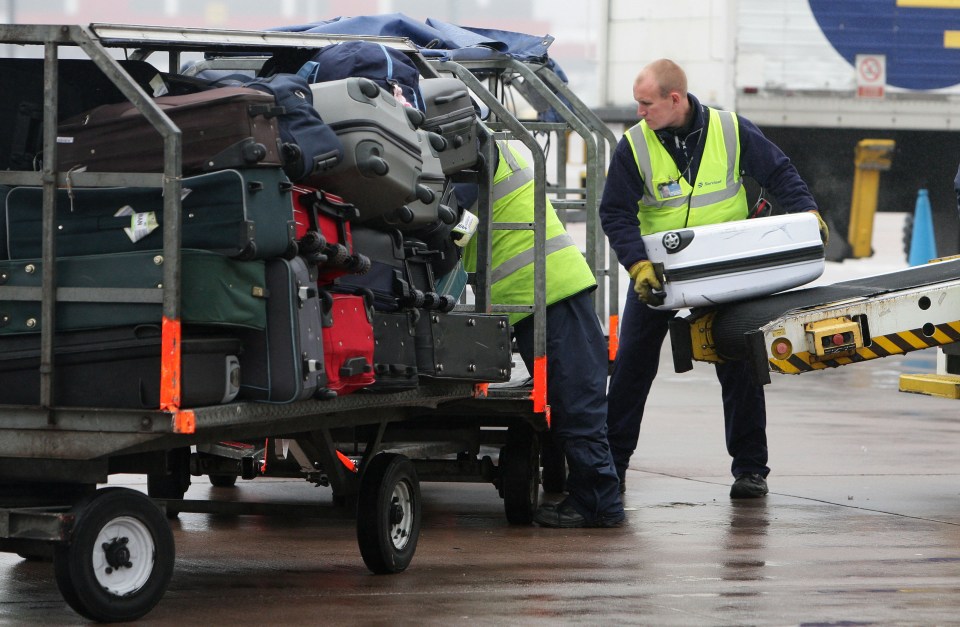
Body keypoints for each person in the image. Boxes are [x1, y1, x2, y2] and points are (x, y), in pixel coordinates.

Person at [599, 59, 828, 499]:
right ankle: (613, 468)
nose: (640, 112)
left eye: (647, 103)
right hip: (658, 275)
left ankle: (750, 470)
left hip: (725, 270)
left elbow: (780, 172)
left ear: (675, 99)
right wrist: (636, 265)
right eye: (637, 104)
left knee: (739, 363)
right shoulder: (634, 145)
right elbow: (615, 213)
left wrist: (807, 212)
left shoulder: (731, 129)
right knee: (630, 369)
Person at [459, 140, 624, 528]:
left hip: (550, 289)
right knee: (570, 396)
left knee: (576, 400)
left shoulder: (469, 153)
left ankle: (599, 504)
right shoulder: (495, 146)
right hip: (536, 292)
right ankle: (595, 497)